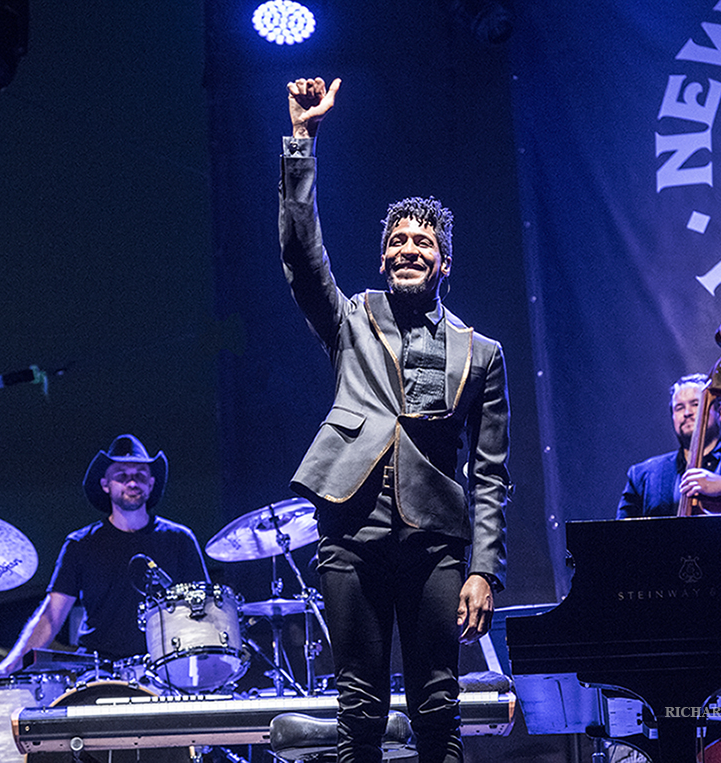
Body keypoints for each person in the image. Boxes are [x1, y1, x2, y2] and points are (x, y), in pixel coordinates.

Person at [278, 77, 509, 763]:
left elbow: (492, 472)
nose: (411, 248)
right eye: (400, 240)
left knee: (439, 702)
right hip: (350, 532)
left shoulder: (482, 352)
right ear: (383, 255)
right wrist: (303, 142)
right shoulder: (350, 321)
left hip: (435, 542)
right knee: (359, 705)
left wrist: (485, 569)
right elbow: (299, 252)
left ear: (445, 261)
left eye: (424, 242)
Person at [0, 434, 209, 678]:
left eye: (140, 475)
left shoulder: (179, 539)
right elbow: (51, 615)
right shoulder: (81, 543)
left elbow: (202, 608)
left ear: (151, 483)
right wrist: (7, 667)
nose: (132, 482)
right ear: (106, 484)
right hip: (99, 671)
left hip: (164, 669)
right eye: (122, 475)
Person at [616, 374, 721, 518]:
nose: (686, 413)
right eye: (679, 407)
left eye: (696, 404)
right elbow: (622, 535)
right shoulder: (642, 475)